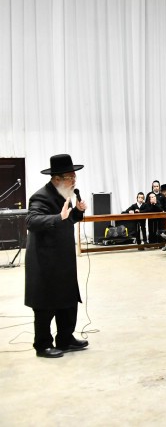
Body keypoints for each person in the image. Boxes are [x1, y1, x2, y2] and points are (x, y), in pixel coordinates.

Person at [25, 154, 89, 359]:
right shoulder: (40, 197)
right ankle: (43, 345)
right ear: (57, 178)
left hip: (63, 259)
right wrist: (58, 217)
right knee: (46, 304)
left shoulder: (64, 194)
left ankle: (65, 338)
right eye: (71, 177)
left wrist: (77, 212)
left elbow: (67, 220)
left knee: (68, 300)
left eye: (75, 177)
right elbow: (32, 221)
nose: (74, 181)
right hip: (45, 260)